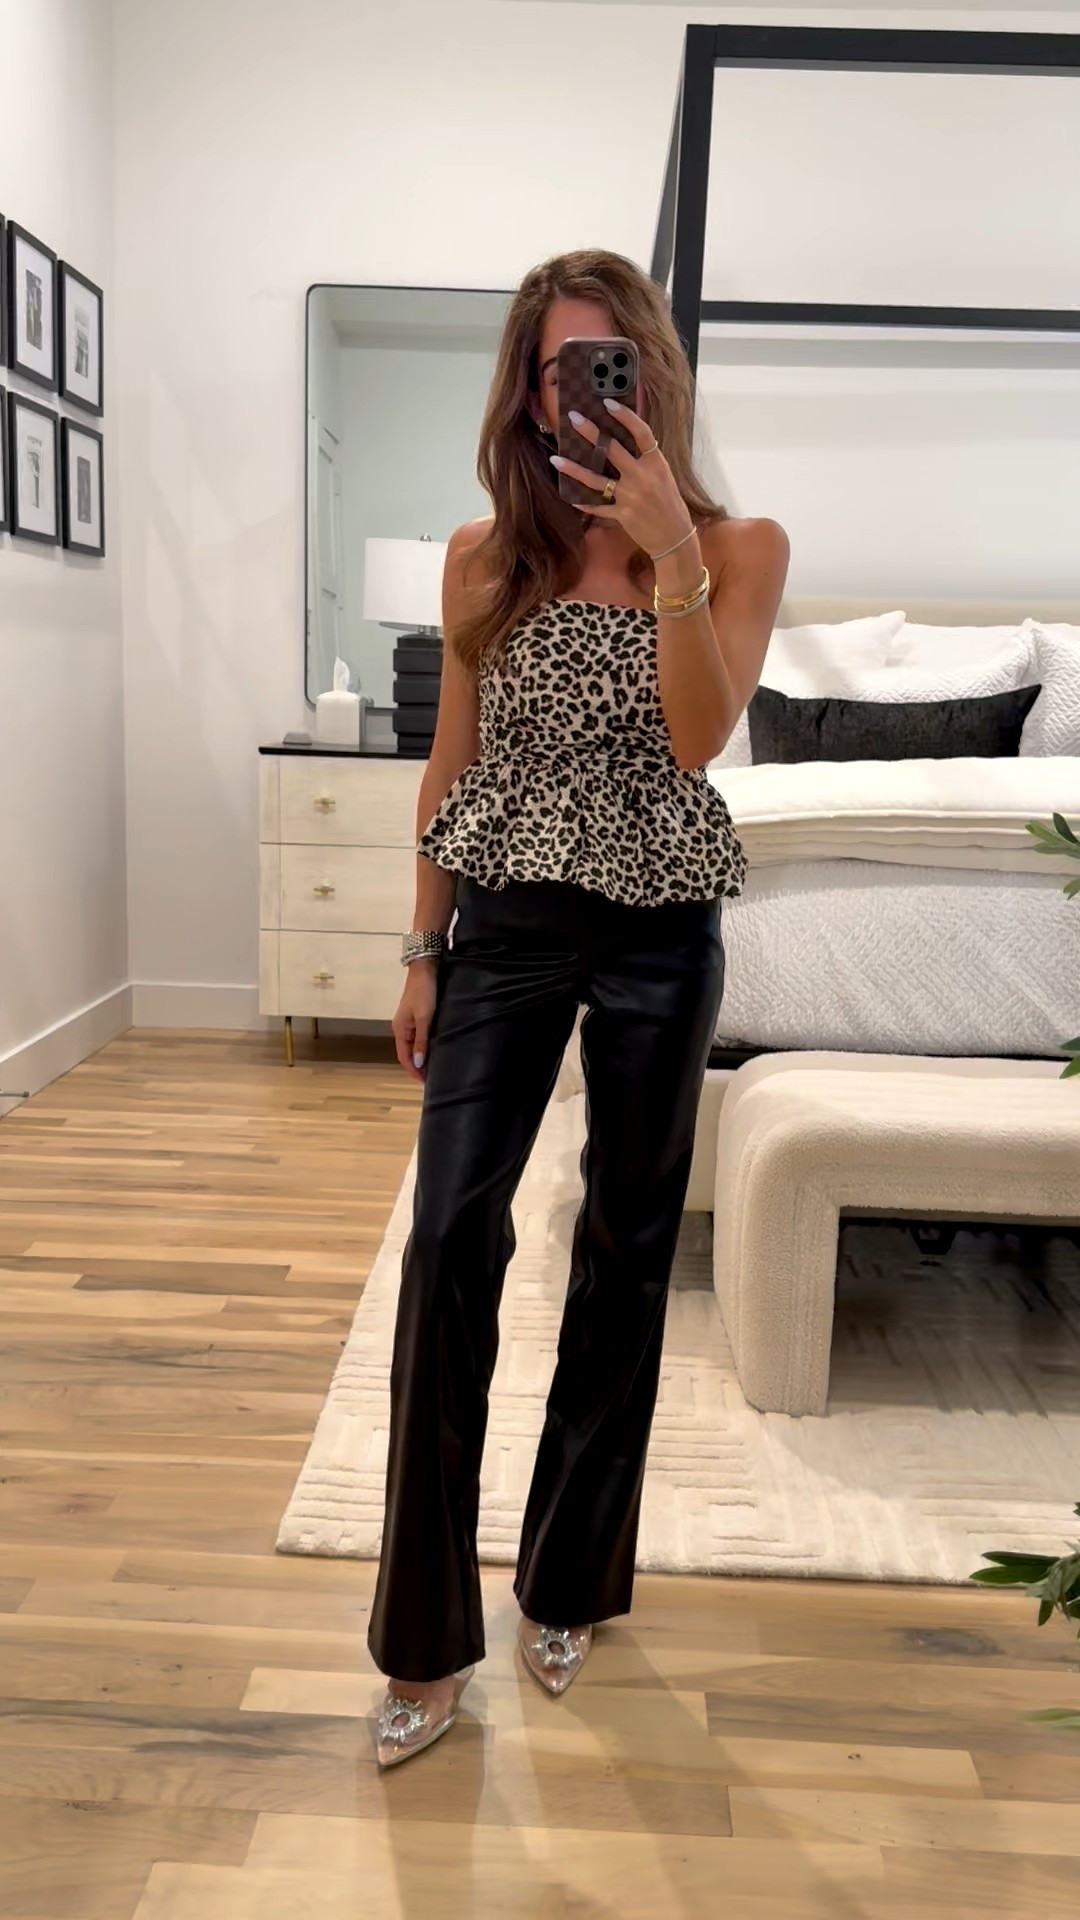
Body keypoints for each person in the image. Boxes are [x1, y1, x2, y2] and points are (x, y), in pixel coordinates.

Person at [370, 248, 788, 1767]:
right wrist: (422, 947)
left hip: (661, 931)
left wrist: (670, 549)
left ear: (652, 376)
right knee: (448, 1240)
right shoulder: (485, 558)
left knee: (624, 1250)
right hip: (509, 924)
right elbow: (454, 763)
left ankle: (567, 1577)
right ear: (529, 388)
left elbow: (693, 739)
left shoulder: (737, 547)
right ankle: (424, 1641)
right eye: (560, 368)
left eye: (610, 363)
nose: (585, 391)